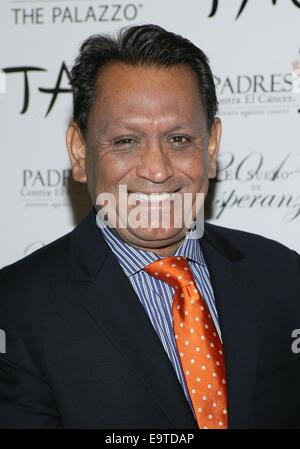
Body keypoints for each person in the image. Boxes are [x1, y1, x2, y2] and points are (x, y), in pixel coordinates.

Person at [0, 24, 299, 430]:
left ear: (211, 146)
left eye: (179, 139)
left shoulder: (282, 276)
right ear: (79, 150)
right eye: (126, 141)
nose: (157, 170)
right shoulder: (16, 308)